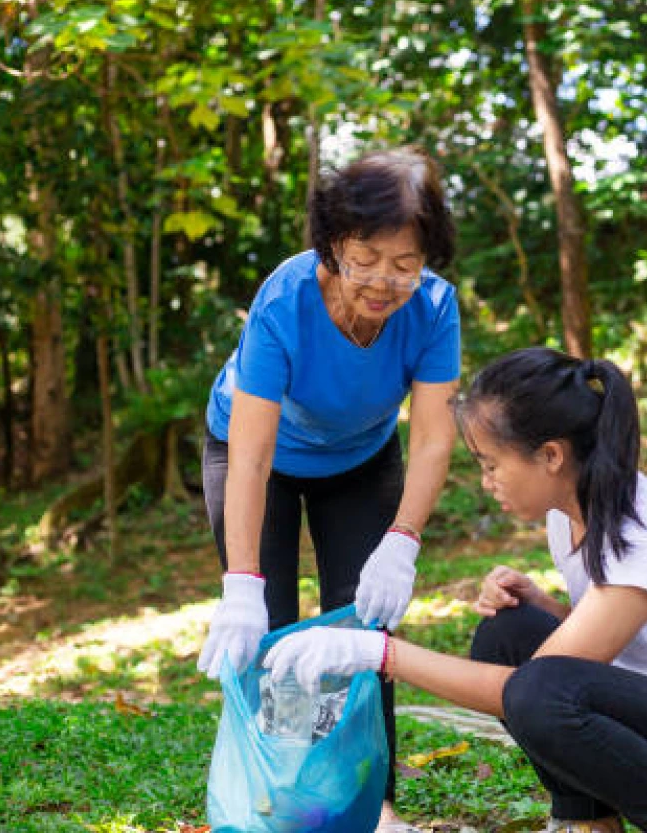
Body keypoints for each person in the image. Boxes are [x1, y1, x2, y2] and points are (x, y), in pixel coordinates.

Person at [264, 348, 647, 833]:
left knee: (537, 689)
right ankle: (586, 820)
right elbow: (612, 642)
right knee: (510, 632)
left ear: (551, 456)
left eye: (491, 464)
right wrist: (544, 604)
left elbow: (536, 691)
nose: (487, 482)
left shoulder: (644, 529)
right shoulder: (567, 515)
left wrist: (379, 653)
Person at [196, 146, 460, 833]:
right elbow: (250, 455)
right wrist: (241, 582)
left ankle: (376, 805)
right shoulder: (285, 297)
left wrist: (403, 540)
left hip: (361, 461)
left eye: (406, 263)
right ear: (335, 240)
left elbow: (433, 436)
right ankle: (277, 803)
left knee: (365, 628)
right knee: (271, 631)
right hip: (257, 458)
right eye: (367, 256)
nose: (384, 280)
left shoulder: (433, 306)